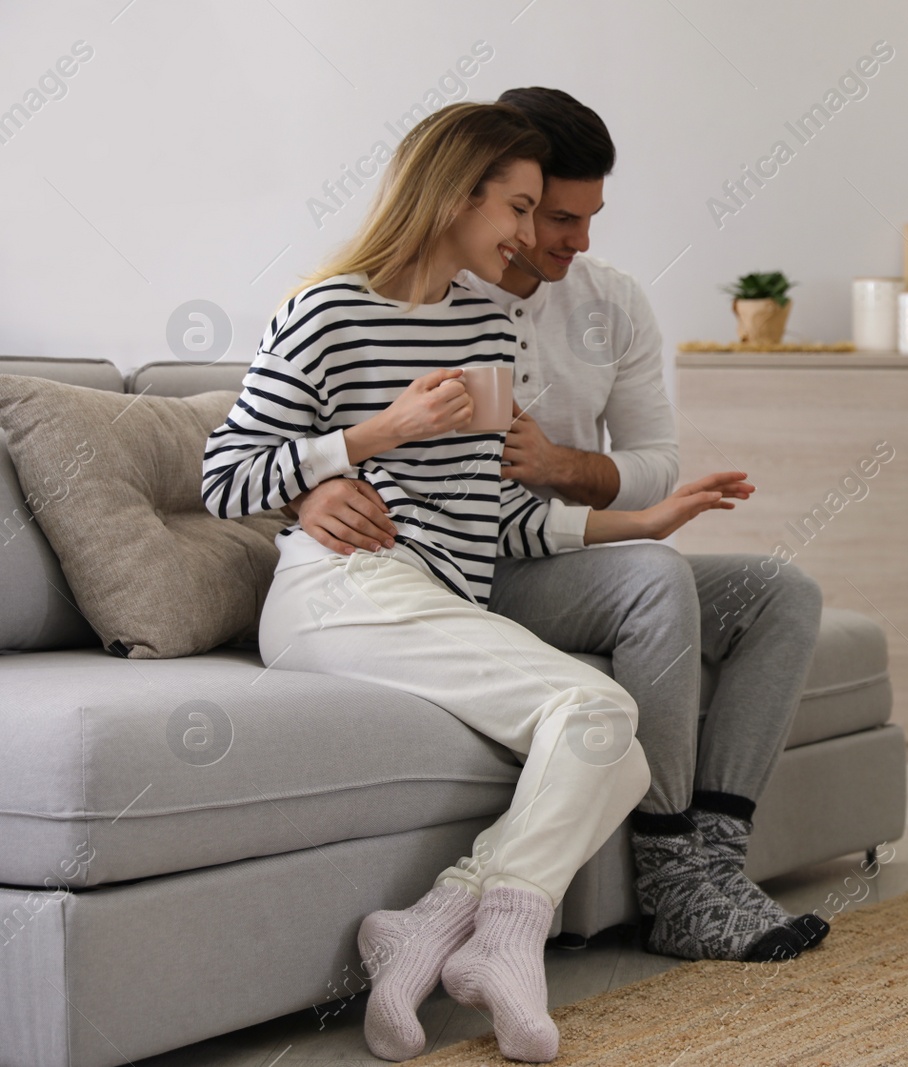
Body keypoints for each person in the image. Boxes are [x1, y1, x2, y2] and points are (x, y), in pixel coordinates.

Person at [201, 102, 771, 1064]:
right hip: (342, 591)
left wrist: (640, 523)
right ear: (453, 194)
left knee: (615, 747)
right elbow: (224, 477)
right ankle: (500, 937)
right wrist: (373, 437)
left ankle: (429, 927)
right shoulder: (327, 311)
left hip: (437, 593)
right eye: (517, 206)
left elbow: (493, 515)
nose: (525, 231)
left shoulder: (491, 326)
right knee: (597, 711)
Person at [290, 88, 831, 965]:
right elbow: (290, 424)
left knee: (777, 591)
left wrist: (563, 468)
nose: (574, 240)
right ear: (500, 201)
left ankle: (712, 861)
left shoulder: (607, 302)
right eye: (552, 217)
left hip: (556, 547)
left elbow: (654, 456)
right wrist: (306, 494)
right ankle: (669, 879)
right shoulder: (425, 293)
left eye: (586, 217)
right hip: (471, 564)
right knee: (653, 575)